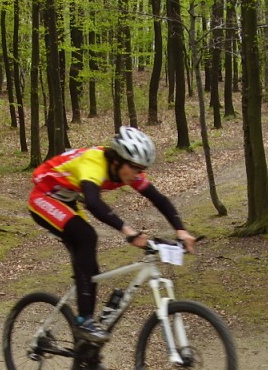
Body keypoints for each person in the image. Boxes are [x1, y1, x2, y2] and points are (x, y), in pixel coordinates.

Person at [28, 126, 196, 352]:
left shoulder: (126, 171)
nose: (138, 174)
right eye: (134, 168)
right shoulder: (93, 162)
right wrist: (129, 232)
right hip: (44, 197)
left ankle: (87, 349)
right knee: (86, 236)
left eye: (142, 169)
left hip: (67, 199)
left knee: (89, 266)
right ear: (117, 160)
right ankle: (85, 321)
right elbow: (94, 203)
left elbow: (159, 199)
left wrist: (181, 230)